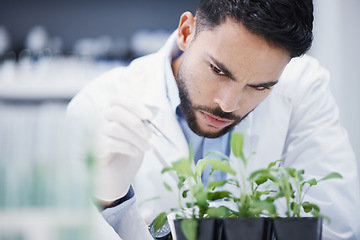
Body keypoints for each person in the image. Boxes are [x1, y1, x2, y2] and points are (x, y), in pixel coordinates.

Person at [67, 0, 360, 239]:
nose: (228, 104)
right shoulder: (98, 105)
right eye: (219, 70)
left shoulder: (303, 88)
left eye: (259, 86)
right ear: (186, 32)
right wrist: (111, 200)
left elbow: (337, 229)